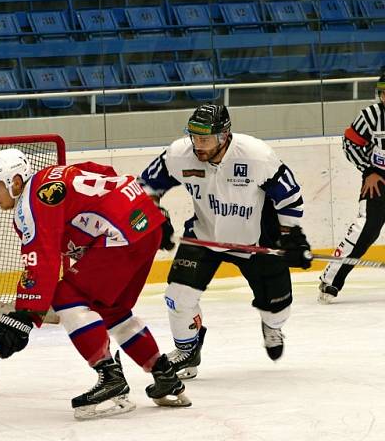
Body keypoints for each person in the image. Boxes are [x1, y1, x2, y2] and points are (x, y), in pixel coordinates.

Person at [0, 148, 190, 420]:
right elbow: (108, 175)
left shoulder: (33, 201)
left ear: (15, 181)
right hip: (143, 223)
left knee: (66, 296)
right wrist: (149, 208)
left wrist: (25, 314)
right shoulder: (54, 176)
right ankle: (164, 376)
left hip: (120, 236)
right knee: (112, 310)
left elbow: (41, 259)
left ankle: (110, 377)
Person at [138, 103, 312, 379]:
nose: (198, 144)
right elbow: (145, 187)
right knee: (177, 298)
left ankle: (272, 326)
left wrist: (291, 236)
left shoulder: (256, 156)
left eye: (205, 138)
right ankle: (187, 350)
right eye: (194, 136)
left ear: (225, 135)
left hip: (255, 242)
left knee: (278, 309)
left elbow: (289, 196)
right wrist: (157, 217)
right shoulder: (179, 154)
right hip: (204, 236)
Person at [318, 71, 385, 303]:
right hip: (379, 183)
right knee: (365, 229)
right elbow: (350, 143)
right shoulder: (371, 115)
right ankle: (331, 280)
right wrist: (369, 170)